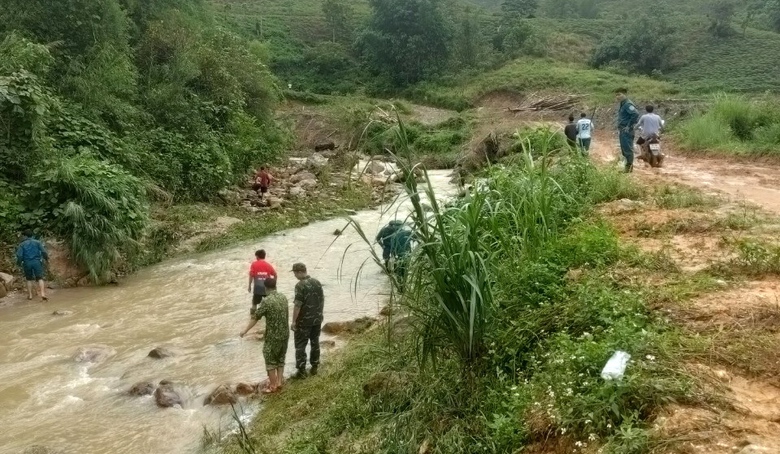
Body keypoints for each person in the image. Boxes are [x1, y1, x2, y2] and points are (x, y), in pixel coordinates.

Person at [240, 277, 289, 394]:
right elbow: (285, 315)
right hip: (285, 334)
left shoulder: (266, 301)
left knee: (270, 359)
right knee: (280, 358)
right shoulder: (283, 297)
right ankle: (279, 382)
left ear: (265, 288)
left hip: (273, 336)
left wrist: (245, 331)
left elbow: (256, 317)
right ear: (275, 286)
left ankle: (273, 386)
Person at [290, 263, 324, 379]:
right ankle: (314, 367)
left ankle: (301, 371)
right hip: (317, 319)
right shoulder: (317, 282)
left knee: (300, 346)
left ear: (299, 272)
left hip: (304, 322)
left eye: (294, 273)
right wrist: (320, 314)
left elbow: (297, 305)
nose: (294, 275)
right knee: (315, 343)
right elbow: (322, 299)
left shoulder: (300, 285)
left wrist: (294, 321)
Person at [16, 230, 49, 301]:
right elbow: (44, 252)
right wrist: (46, 259)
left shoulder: (22, 244)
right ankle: (43, 294)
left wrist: (19, 263)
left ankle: (30, 295)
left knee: (29, 279)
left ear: (25, 236)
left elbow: (19, 256)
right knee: (40, 278)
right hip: (37, 262)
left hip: (27, 263)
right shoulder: (37, 242)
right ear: (32, 235)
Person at [615, 88, 640, 173]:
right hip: (622, 130)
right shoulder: (623, 104)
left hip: (626, 131)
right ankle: (626, 167)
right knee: (624, 148)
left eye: (619, 94)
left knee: (627, 149)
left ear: (625, 94)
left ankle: (629, 168)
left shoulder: (628, 104)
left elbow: (635, 114)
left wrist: (628, 126)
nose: (617, 96)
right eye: (616, 95)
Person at [249, 250, 276, 314]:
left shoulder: (254, 264)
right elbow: (275, 275)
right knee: (269, 305)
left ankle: (252, 318)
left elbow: (251, 276)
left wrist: (249, 286)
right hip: (267, 287)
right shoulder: (268, 265)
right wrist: (274, 285)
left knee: (254, 304)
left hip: (257, 288)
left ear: (257, 257)